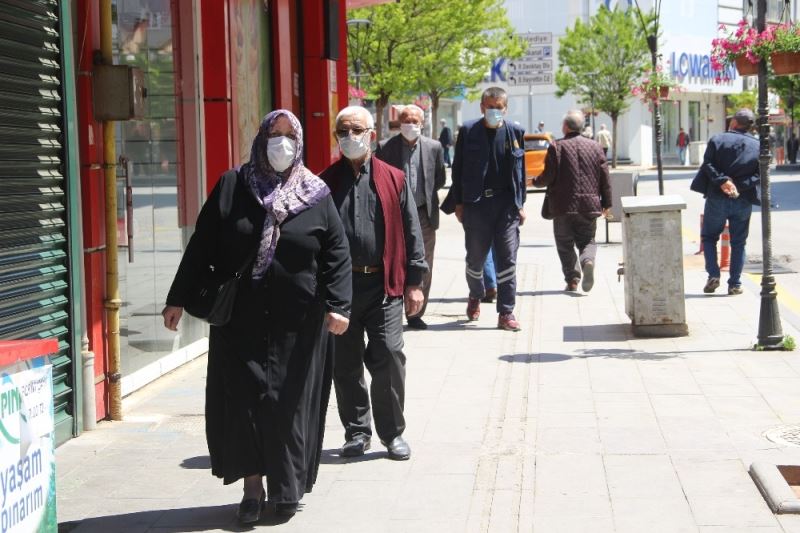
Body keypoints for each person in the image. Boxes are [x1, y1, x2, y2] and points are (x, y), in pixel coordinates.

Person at [162, 110, 352, 523]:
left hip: (298, 323)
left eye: (289, 135)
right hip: (240, 319)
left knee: (287, 405)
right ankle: (252, 489)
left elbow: (337, 253)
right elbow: (202, 245)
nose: (281, 143)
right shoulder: (233, 185)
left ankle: (287, 488)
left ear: (299, 142)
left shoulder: (316, 193)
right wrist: (177, 298)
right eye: (274, 134)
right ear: (261, 139)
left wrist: (340, 306)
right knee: (245, 403)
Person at [321, 105, 428, 461]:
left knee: (390, 356)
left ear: (371, 134)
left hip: (384, 287)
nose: (349, 137)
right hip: (341, 290)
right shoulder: (324, 183)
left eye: (356, 130)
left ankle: (392, 433)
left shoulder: (393, 178)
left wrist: (415, 282)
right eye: (343, 131)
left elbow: (412, 232)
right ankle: (356, 431)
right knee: (345, 363)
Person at [451, 86, 526, 331]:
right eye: (490, 107)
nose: (494, 111)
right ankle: (475, 294)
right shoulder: (469, 130)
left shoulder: (515, 132)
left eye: (499, 107)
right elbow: (458, 168)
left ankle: (506, 312)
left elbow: (520, 173)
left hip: (506, 206)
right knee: (475, 259)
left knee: (508, 259)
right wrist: (459, 203)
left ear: (506, 108)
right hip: (477, 205)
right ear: (482, 107)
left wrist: (520, 204)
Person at [376, 104, 446, 330]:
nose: (410, 125)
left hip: (424, 213)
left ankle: (416, 313)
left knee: (424, 262)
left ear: (422, 124)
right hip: (395, 214)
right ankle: (394, 309)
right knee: (395, 260)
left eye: (415, 121)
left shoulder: (434, 147)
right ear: (399, 123)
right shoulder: (385, 147)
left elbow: (440, 179)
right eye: (406, 121)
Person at [533, 110, 611, 292]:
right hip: (589, 205)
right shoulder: (596, 147)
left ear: (565, 127)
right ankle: (588, 261)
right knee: (587, 241)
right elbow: (605, 177)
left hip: (563, 206)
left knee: (564, 243)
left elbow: (548, 176)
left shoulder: (556, 147)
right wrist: (607, 203)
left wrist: (535, 182)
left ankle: (572, 280)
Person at [690, 108, 760, 296]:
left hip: (717, 197)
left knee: (709, 237)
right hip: (742, 198)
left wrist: (723, 182)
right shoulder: (758, 145)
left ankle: (713, 274)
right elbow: (760, 174)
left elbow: (707, 164)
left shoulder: (718, 139)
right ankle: (735, 284)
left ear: (734, 122)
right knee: (738, 242)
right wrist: (738, 186)